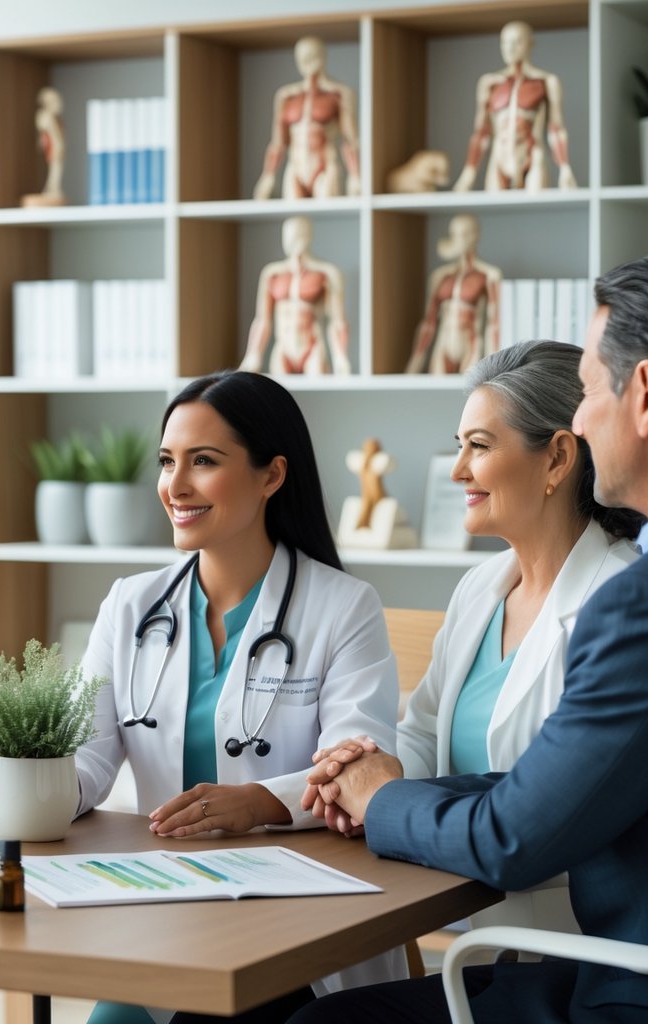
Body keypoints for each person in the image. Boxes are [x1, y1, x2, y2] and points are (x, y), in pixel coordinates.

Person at [290, 253, 648, 1023]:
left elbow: (520, 826)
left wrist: (385, 798)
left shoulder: (627, 601)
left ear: (558, 455)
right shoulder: (477, 591)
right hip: (499, 930)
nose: (457, 469)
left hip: (591, 965)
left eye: (479, 446)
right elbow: (454, 749)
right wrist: (368, 774)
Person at [73, 370, 405, 1024]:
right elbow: (85, 762)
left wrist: (259, 802)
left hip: (291, 919)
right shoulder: (130, 605)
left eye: (204, 461)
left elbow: (359, 768)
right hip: (163, 910)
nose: (176, 485)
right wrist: (10, 775)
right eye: (168, 461)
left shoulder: (343, 608)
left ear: (271, 475)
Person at [453, 20, 576, 193]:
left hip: (532, 156)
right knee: (494, 209)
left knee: (537, 206)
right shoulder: (489, 83)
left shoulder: (546, 82)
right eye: (504, 42)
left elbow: (556, 128)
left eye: (516, 41)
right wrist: (469, 172)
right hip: (499, 158)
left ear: (530, 43)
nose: (509, 48)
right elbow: (482, 131)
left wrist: (565, 168)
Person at [239, 216, 350, 377]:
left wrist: (340, 357)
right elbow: (263, 319)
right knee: (278, 397)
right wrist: (253, 355)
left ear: (308, 237)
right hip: (284, 348)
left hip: (311, 345)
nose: (293, 240)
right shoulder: (272, 273)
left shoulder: (325, 273)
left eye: (299, 234)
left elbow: (337, 321)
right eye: (290, 235)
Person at [253, 35, 361, 200]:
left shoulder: (337, 94)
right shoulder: (286, 96)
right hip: (295, 167)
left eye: (313, 55)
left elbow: (350, 139)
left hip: (324, 166)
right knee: (293, 216)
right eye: (302, 56)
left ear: (322, 56)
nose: (307, 60)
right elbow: (278, 143)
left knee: (327, 207)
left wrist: (355, 175)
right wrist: (267, 176)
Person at [405, 214, 502, 375]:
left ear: (476, 235)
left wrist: (496, 370)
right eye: (455, 234)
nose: (460, 239)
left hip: (470, 345)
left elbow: (494, 324)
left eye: (465, 234)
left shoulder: (489, 275)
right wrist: (413, 366)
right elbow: (429, 322)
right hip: (443, 344)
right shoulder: (440, 276)